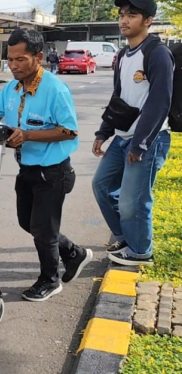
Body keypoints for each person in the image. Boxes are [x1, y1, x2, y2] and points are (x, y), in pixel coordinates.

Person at [0, 29, 92, 302]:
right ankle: (73, 253)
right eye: (10, 59)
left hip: (53, 171)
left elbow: (69, 131)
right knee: (29, 223)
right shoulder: (11, 89)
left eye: (20, 59)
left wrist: (28, 135)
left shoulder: (56, 90)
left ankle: (50, 280)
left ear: (38, 57)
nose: (13, 65)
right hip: (27, 169)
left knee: (43, 229)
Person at [92, 0, 173, 266]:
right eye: (122, 14)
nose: (124, 20)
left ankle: (141, 252)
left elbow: (160, 101)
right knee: (101, 185)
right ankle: (126, 236)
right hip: (123, 137)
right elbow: (120, 97)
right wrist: (104, 131)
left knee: (134, 200)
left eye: (132, 15)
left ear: (148, 20)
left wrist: (140, 145)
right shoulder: (123, 55)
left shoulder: (157, 53)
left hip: (149, 140)